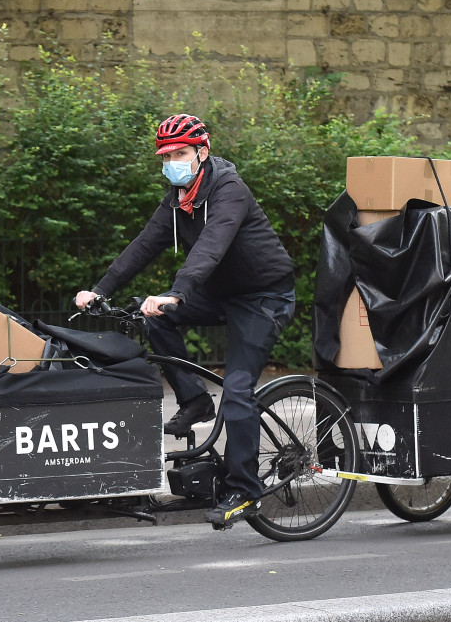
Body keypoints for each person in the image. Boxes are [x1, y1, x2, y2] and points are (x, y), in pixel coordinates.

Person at [74, 113, 295, 528]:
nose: (172, 161)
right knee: (153, 317)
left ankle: (245, 492)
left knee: (239, 389)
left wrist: (177, 292)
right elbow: (143, 245)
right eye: (166, 155)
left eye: (180, 153)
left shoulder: (229, 189)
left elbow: (210, 247)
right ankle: (194, 400)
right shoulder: (178, 197)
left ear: (202, 151)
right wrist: (100, 288)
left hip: (263, 296)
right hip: (221, 292)